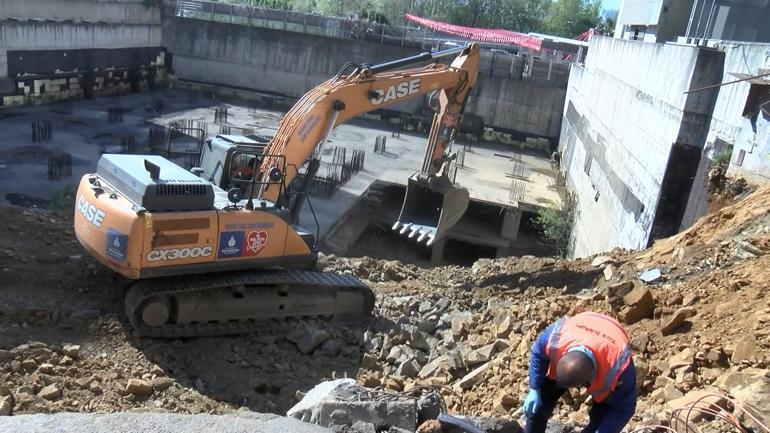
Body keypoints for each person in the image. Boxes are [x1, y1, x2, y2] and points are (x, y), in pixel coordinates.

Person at [523, 311, 637, 433]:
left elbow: (623, 408)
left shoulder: (619, 366)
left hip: (612, 332)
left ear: (591, 378)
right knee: (542, 401)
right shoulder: (556, 338)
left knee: (604, 410)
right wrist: (534, 389)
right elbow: (538, 354)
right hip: (584, 322)